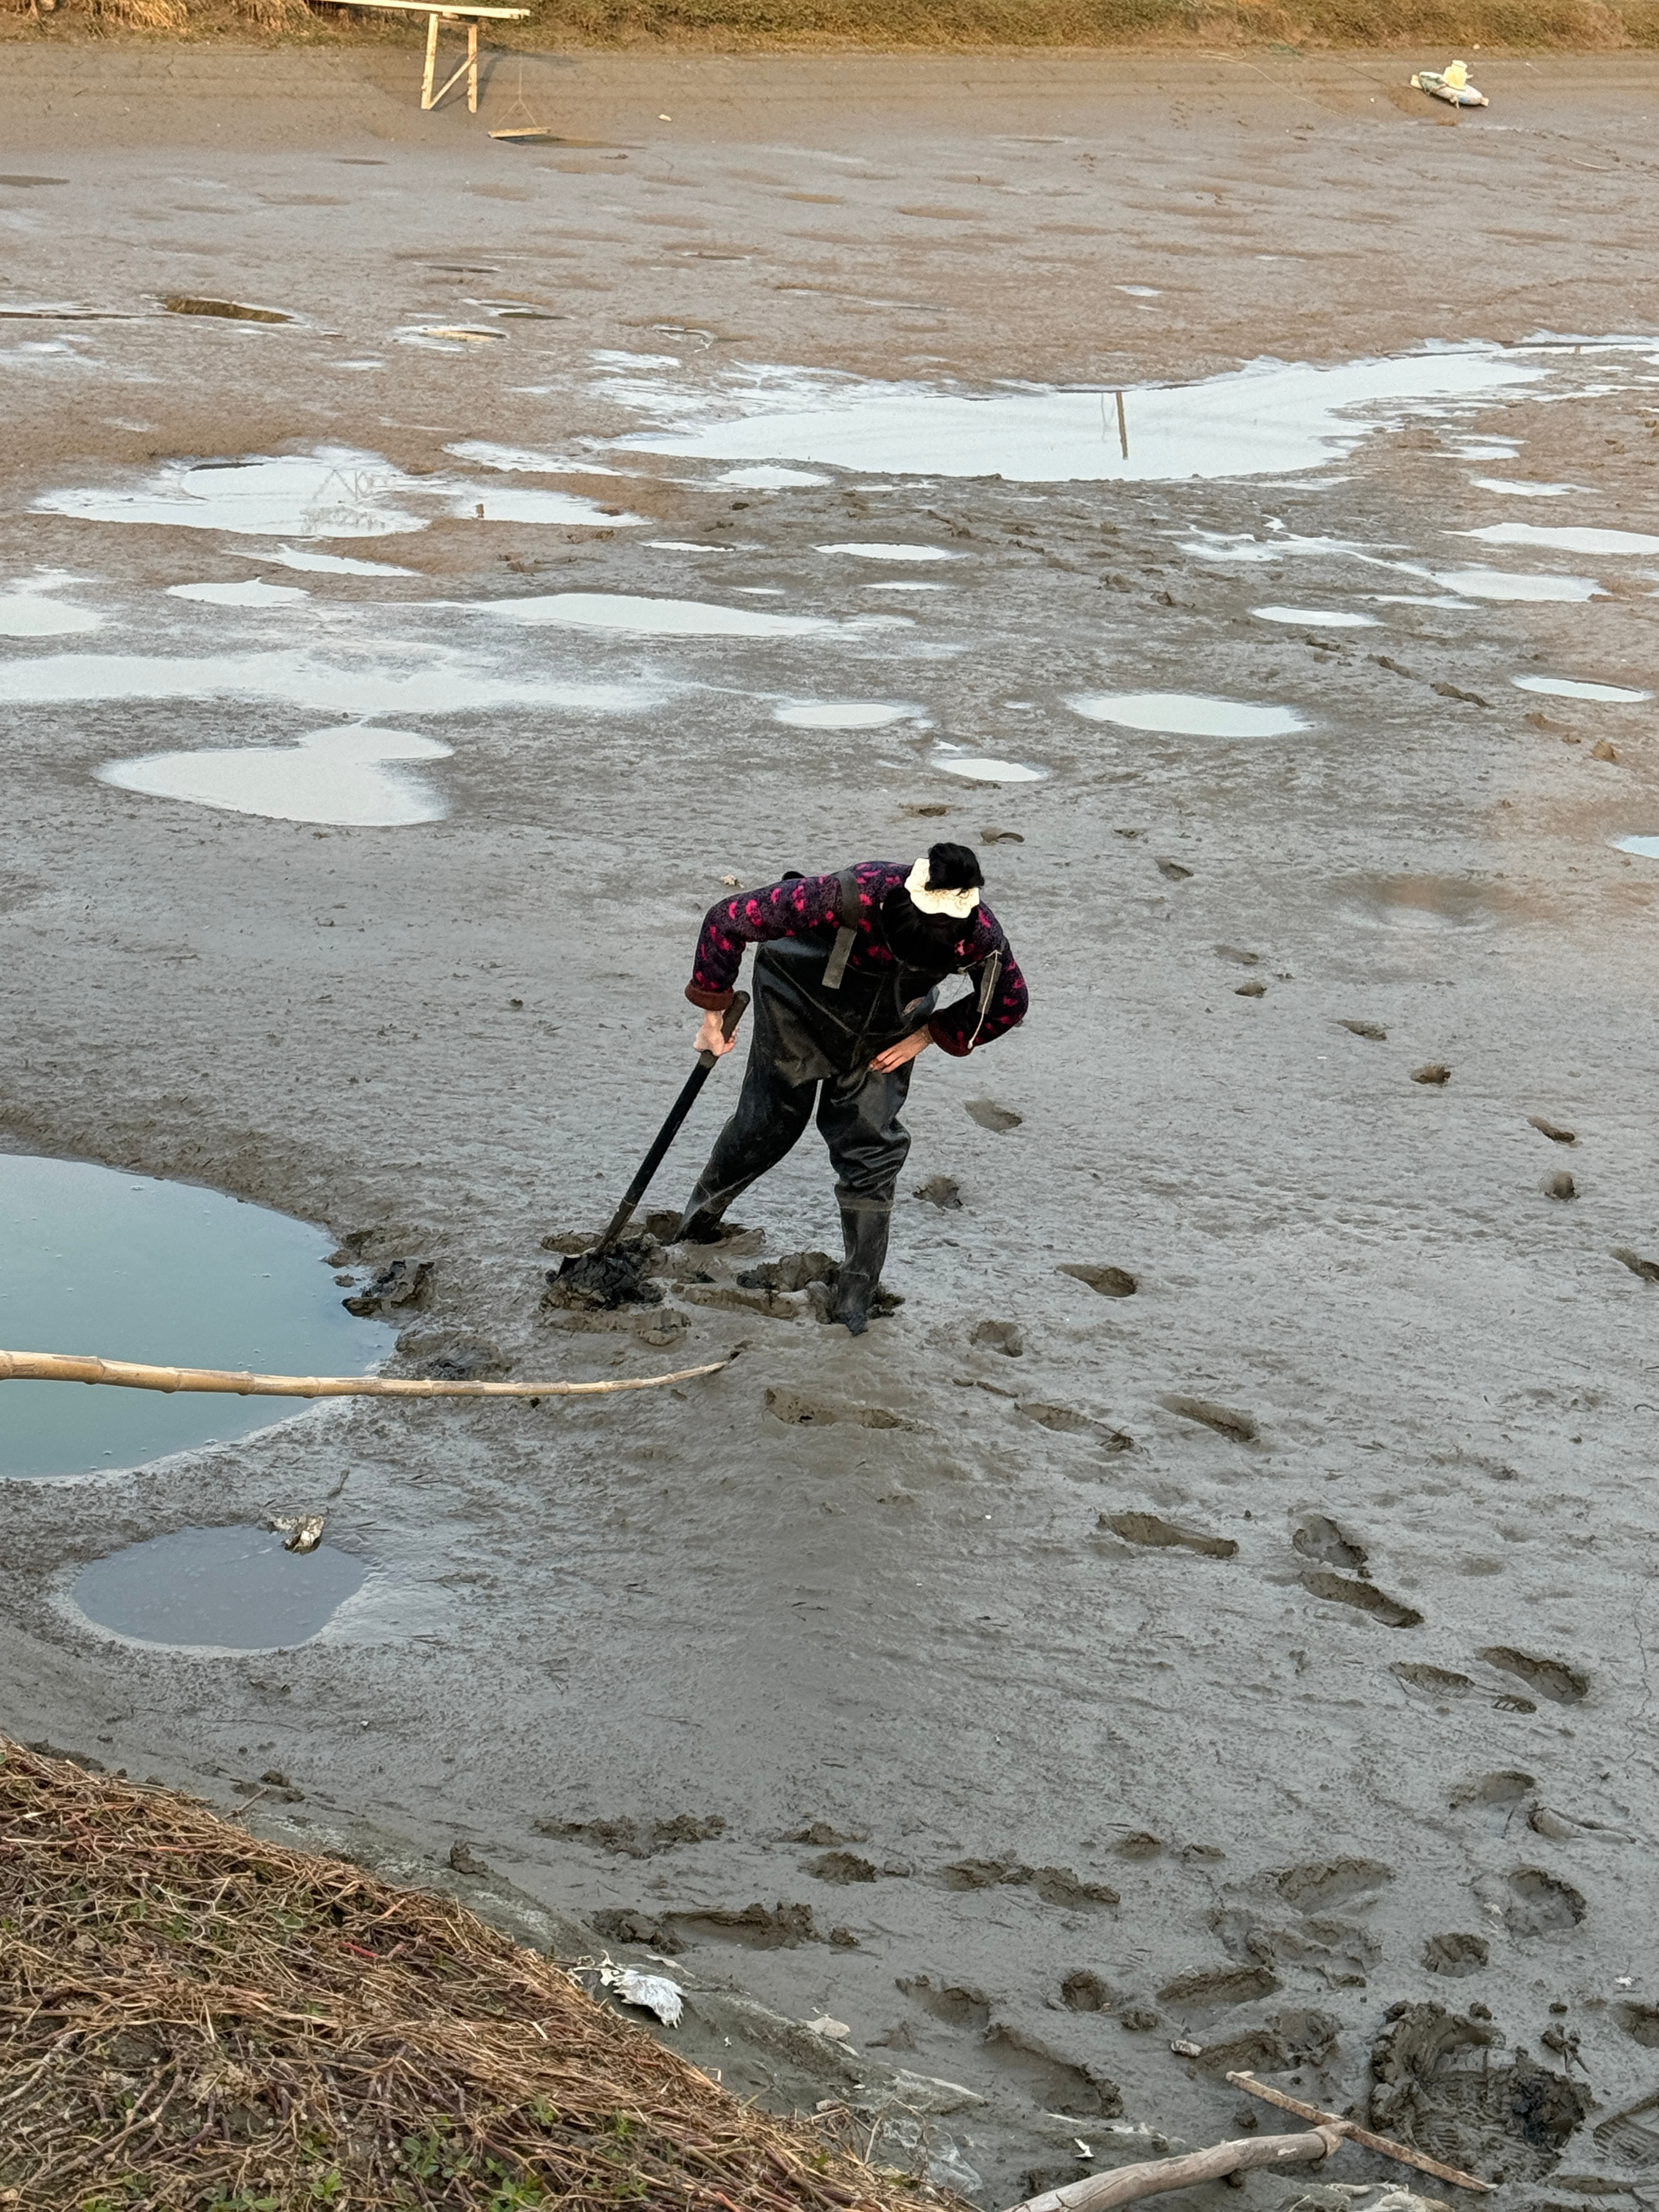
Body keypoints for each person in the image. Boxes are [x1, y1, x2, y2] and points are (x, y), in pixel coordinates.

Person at [676, 844, 1029, 1334]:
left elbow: (1010, 1003)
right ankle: (693, 1226)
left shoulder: (980, 936)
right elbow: (727, 919)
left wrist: (926, 1036)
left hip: (891, 1028)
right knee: (770, 1123)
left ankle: (855, 1298)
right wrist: (713, 1018)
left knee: (871, 1144)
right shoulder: (849, 895)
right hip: (796, 1000)